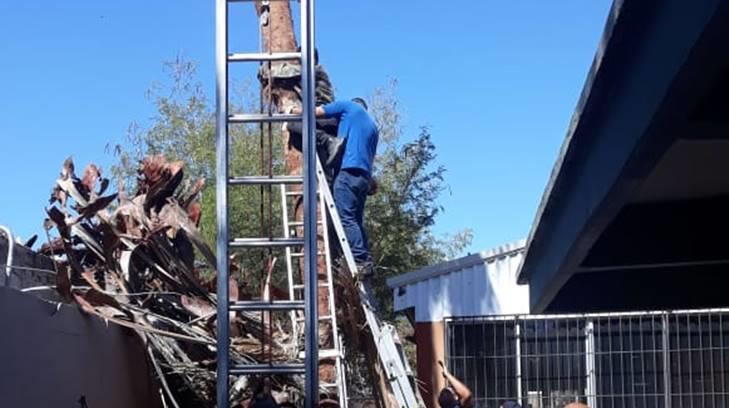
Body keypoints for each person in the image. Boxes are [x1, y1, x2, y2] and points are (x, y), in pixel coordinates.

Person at [295, 97, 378, 276]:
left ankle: (360, 260)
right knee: (356, 220)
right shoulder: (373, 127)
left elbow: (315, 112)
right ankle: (366, 260)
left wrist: (294, 112)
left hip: (347, 173)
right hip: (364, 177)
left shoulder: (348, 107)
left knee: (346, 218)